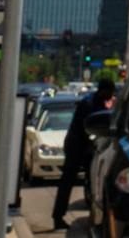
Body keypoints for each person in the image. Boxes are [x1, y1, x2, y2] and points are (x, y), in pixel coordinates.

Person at [47, 79, 114, 231]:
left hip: (87, 147)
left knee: (92, 182)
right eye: (110, 92)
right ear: (104, 90)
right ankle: (58, 217)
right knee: (67, 182)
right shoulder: (89, 104)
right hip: (76, 147)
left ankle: (93, 216)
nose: (111, 96)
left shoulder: (98, 103)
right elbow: (86, 130)